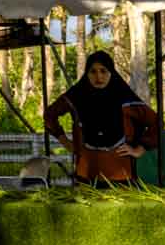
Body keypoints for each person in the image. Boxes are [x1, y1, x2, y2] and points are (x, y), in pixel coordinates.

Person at [44, 50, 159, 185]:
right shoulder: (76, 96)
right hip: (86, 174)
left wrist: (139, 149)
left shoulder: (125, 98)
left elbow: (156, 122)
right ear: (87, 73)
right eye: (93, 71)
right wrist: (67, 143)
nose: (98, 76)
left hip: (121, 175)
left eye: (103, 71)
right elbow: (49, 115)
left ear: (111, 72)